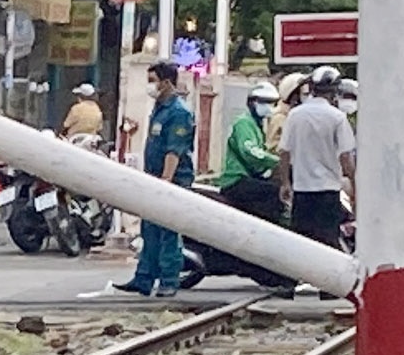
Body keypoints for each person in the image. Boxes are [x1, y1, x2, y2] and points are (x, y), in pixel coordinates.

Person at [115, 59, 196, 297]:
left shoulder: (179, 112)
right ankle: (144, 279)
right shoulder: (160, 109)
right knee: (149, 230)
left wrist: (166, 179)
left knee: (168, 232)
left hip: (171, 180)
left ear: (167, 83)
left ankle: (169, 280)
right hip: (154, 179)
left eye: (153, 81)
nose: (149, 86)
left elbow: (174, 150)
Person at [282, 67, 355, 248]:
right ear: (335, 91)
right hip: (327, 193)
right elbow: (346, 158)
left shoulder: (294, 115)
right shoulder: (337, 118)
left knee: (301, 245)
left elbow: (284, 152)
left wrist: (285, 182)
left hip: (302, 192)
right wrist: (354, 184)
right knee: (327, 245)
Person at [216, 79, 281, 188]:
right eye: (264, 102)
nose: (269, 106)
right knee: (273, 194)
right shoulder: (244, 123)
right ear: (252, 102)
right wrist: (277, 161)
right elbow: (250, 152)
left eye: (271, 103)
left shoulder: (257, 125)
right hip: (236, 179)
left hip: (251, 177)